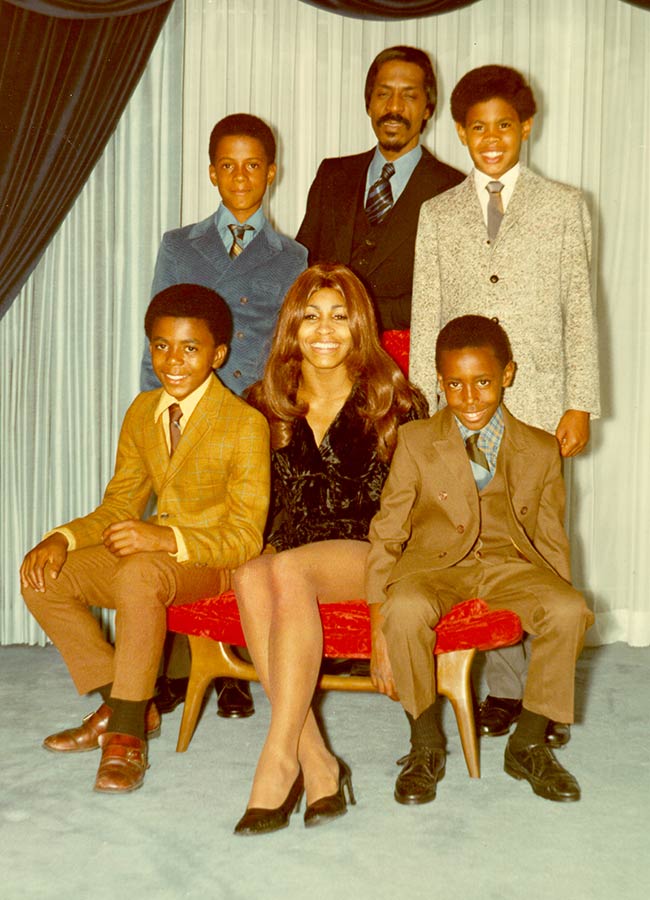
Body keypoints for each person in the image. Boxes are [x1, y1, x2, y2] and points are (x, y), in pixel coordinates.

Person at [409, 65, 600, 740]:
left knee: (538, 546)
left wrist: (579, 401)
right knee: (474, 539)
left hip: (539, 402)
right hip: (461, 405)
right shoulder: (438, 214)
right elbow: (427, 310)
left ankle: (538, 700)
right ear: (460, 132)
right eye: (478, 128)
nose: (491, 139)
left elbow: (580, 306)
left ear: (526, 127)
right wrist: (426, 406)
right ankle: (496, 682)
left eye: (505, 126)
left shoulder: (564, 205)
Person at [20, 284, 270, 794]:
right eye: (160, 345)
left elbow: (245, 537)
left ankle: (126, 737)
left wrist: (164, 538)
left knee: (139, 572)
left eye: (190, 348)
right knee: (44, 578)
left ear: (218, 354)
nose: (173, 360)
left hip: (211, 562)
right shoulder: (142, 411)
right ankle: (127, 702)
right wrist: (62, 538)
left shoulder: (245, 424)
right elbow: (118, 507)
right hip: (152, 567)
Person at [366, 315, 594, 805]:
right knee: (403, 608)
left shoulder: (539, 448)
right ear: (439, 380)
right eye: (455, 385)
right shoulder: (416, 441)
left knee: (569, 608)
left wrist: (558, 598)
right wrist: (375, 613)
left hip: (509, 565)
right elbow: (388, 530)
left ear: (507, 375)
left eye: (483, 382)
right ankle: (425, 744)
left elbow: (552, 536)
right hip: (434, 567)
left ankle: (529, 741)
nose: (469, 399)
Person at [232, 263, 426, 835]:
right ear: (291, 328)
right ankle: (319, 763)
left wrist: (387, 617)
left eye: (340, 317)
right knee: (249, 572)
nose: (324, 329)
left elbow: (416, 521)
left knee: (288, 568)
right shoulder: (264, 404)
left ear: (359, 326)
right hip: (295, 555)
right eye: (310, 316)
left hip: (373, 555)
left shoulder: (396, 403)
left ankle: (277, 759)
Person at [140, 114, 306, 717]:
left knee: (239, 535)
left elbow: (289, 350)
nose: (241, 176)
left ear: (272, 173)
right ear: (212, 172)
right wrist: (151, 416)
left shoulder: (293, 257)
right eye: (228, 165)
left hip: (252, 419)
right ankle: (176, 666)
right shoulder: (179, 246)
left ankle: (234, 668)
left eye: (253, 165)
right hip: (186, 411)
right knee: (178, 529)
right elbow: (154, 341)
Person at [296, 45, 463, 339]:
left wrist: (359, 315)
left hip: (404, 362)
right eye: (384, 94)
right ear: (369, 104)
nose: (394, 108)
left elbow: (448, 295)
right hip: (328, 353)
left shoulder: (453, 188)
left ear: (428, 108)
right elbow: (304, 266)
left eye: (409, 96)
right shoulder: (331, 175)